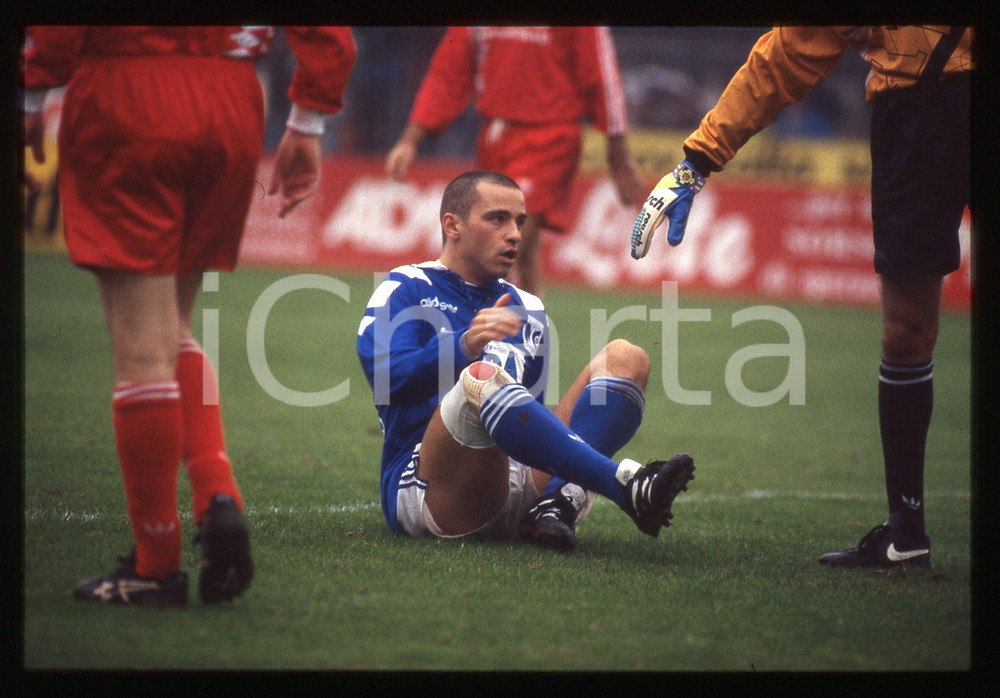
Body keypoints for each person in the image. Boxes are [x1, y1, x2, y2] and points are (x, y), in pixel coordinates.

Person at [21, 26, 357, 606]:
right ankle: (216, 496)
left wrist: (29, 94)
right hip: (232, 98)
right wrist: (307, 121)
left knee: (139, 349)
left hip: (127, 90)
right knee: (172, 322)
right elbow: (328, 31)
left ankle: (155, 564)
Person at [630, 26, 972, 568]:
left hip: (924, 106)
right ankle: (906, 533)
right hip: (917, 106)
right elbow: (786, 53)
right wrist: (697, 159)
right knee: (906, 331)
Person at [357, 170, 694, 551]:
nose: (515, 234)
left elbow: (528, 421)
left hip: (508, 480)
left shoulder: (528, 308)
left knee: (627, 357)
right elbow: (388, 378)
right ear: (452, 225)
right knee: (481, 377)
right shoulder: (405, 288)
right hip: (431, 489)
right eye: (497, 219)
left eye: (519, 221)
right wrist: (463, 345)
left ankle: (557, 502)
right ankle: (625, 485)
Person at [385, 26, 646, 297]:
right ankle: (535, 330)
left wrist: (618, 152)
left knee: (498, 244)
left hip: (548, 136)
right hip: (495, 135)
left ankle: (471, 329)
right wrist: (410, 139)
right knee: (524, 253)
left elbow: (601, 74)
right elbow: (449, 71)